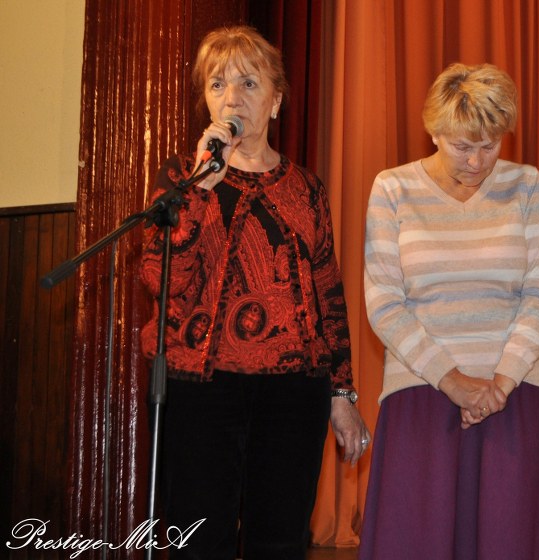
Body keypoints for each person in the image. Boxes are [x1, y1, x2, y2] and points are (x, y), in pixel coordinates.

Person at [139, 25, 370, 559]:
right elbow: (158, 278)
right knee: (199, 542)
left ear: (276, 100)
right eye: (217, 84)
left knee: (281, 542)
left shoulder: (306, 189)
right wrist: (201, 189)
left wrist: (342, 394)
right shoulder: (180, 179)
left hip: (294, 394)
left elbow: (328, 296)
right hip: (200, 390)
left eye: (248, 83)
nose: (231, 98)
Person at [359, 62, 539, 559]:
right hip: (421, 396)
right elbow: (385, 301)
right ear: (433, 131)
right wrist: (452, 381)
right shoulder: (392, 188)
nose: (477, 161)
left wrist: (501, 383)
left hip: (512, 398)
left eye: (490, 145)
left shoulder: (526, 185)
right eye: (462, 146)